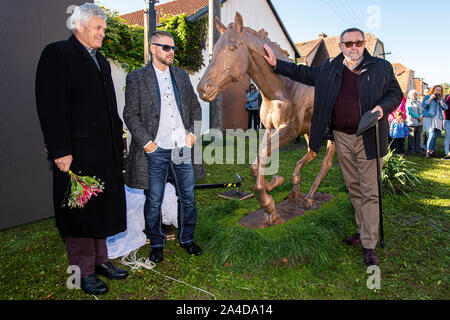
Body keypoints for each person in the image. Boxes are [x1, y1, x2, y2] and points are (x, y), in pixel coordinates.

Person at [263, 27, 403, 266]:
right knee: (355, 189)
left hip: (369, 136)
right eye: (348, 44)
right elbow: (303, 73)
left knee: (369, 190)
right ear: (341, 46)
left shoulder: (381, 68)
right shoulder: (331, 67)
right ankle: (363, 230)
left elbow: (395, 94)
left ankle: (369, 243)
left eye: (358, 42)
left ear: (363, 44)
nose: (353, 47)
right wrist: (278, 65)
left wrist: (382, 109)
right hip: (342, 137)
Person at [35, 3, 128, 295]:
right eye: (98, 27)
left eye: (103, 27)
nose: (103, 32)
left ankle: (101, 261)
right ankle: (82, 271)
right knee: (80, 212)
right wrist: (60, 150)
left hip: (104, 152)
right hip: (76, 153)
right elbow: (51, 108)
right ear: (79, 25)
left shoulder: (100, 60)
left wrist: (118, 140)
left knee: (100, 207)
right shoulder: (57, 54)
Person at [123, 31, 202, 264]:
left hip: (181, 147)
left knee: (188, 197)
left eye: (173, 48)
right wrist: (147, 144)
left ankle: (187, 239)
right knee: (154, 199)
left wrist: (192, 135)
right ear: (152, 48)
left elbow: (196, 106)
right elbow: (130, 114)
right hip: (155, 150)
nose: (171, 52)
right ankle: (156, 243)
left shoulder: (181, 76)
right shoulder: (137, 77)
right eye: (166, 47)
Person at [421, 85, 448, 158]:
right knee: (431, 134)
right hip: (429, 118)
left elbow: (445, 107)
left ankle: (432, 151)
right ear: (433, 90)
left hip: (438, 118)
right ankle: (427, 152)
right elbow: (423, 105)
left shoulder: (441, 99)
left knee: (435, 136)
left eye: (439, 90)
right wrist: (430, 98)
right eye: (436, 90)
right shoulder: (427, 96)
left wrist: (440, 102)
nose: (438, 91)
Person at [405, 89, 423, 154]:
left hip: (419, 122)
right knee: (412, 137)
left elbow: (422, 110)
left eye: (415, 94)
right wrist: (418, 117)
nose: (414, 95)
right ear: (410, 95)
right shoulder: (409, 102)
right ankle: (411, 150)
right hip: (412, 122)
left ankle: (417, 149)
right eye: (412, 94)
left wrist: (421, 117)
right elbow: (409, 112)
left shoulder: (419, 102)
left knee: (418, 136)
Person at [443, 94, 450, 160]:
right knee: (448, 136)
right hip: (448, 120)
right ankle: (447, 152)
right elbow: (446, 109)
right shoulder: (448, 100)